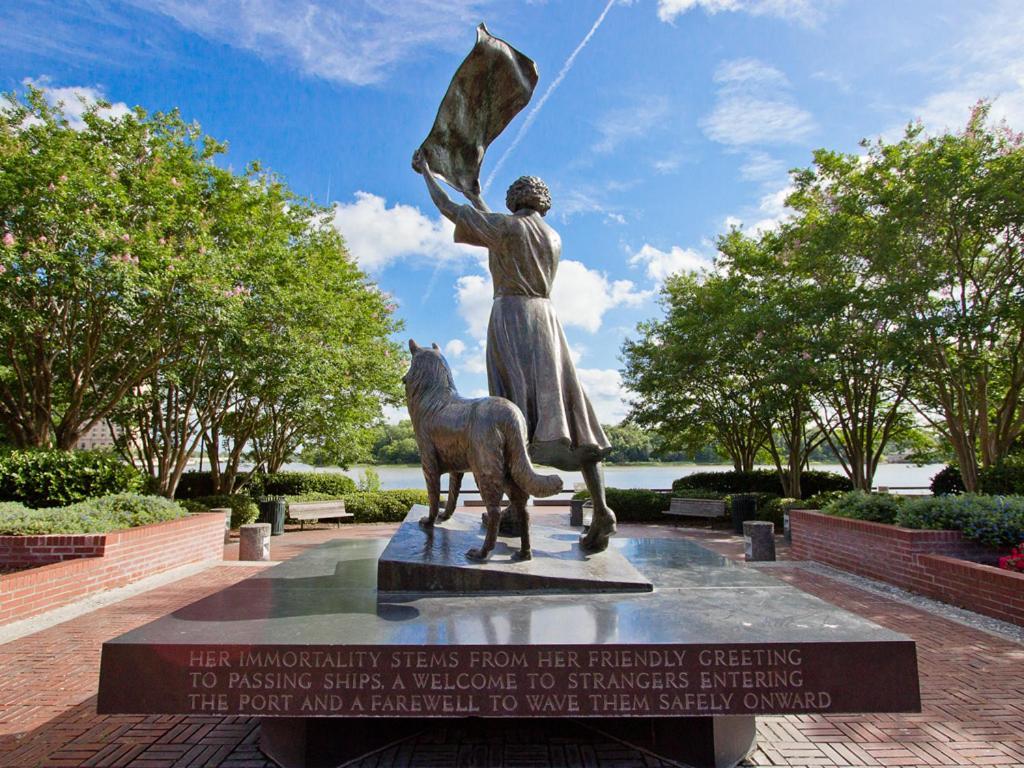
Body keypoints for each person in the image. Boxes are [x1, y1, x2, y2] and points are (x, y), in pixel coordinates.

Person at [412, 148, 617, 552]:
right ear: (543, 202)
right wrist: (477, 199)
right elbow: (500, 229)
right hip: (547, 320)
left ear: (513, 200)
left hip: (510, 319)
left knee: (506, 418)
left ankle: (512, 508)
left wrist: (426, 175)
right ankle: (602, 507)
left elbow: (451, 211)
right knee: (575, 415)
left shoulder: (505, 229)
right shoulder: (553, 236)